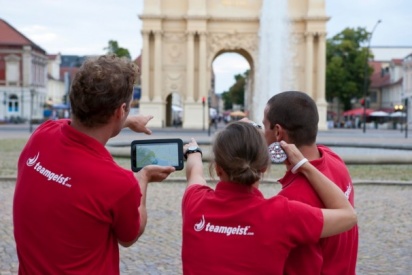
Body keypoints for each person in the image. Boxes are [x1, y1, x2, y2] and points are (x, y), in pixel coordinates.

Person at [13, 54, 175, 274]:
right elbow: (130, 235)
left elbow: (80, 122)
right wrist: (143, 178)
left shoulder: (42, 134)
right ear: (120, 110)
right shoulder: (119, 183)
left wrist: (125, 121)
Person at [181, 121, 357, 274]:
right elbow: (349, 216)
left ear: (218, 168)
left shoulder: (194, 202)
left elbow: (195, 172)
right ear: (264, 167)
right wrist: (304, 165)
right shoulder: (282, 214)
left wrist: (194, 152)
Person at [262, 91, 358, 275]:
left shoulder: (291, 201)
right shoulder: (332, 158)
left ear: (277, 131)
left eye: (264, 125)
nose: (262, 131)